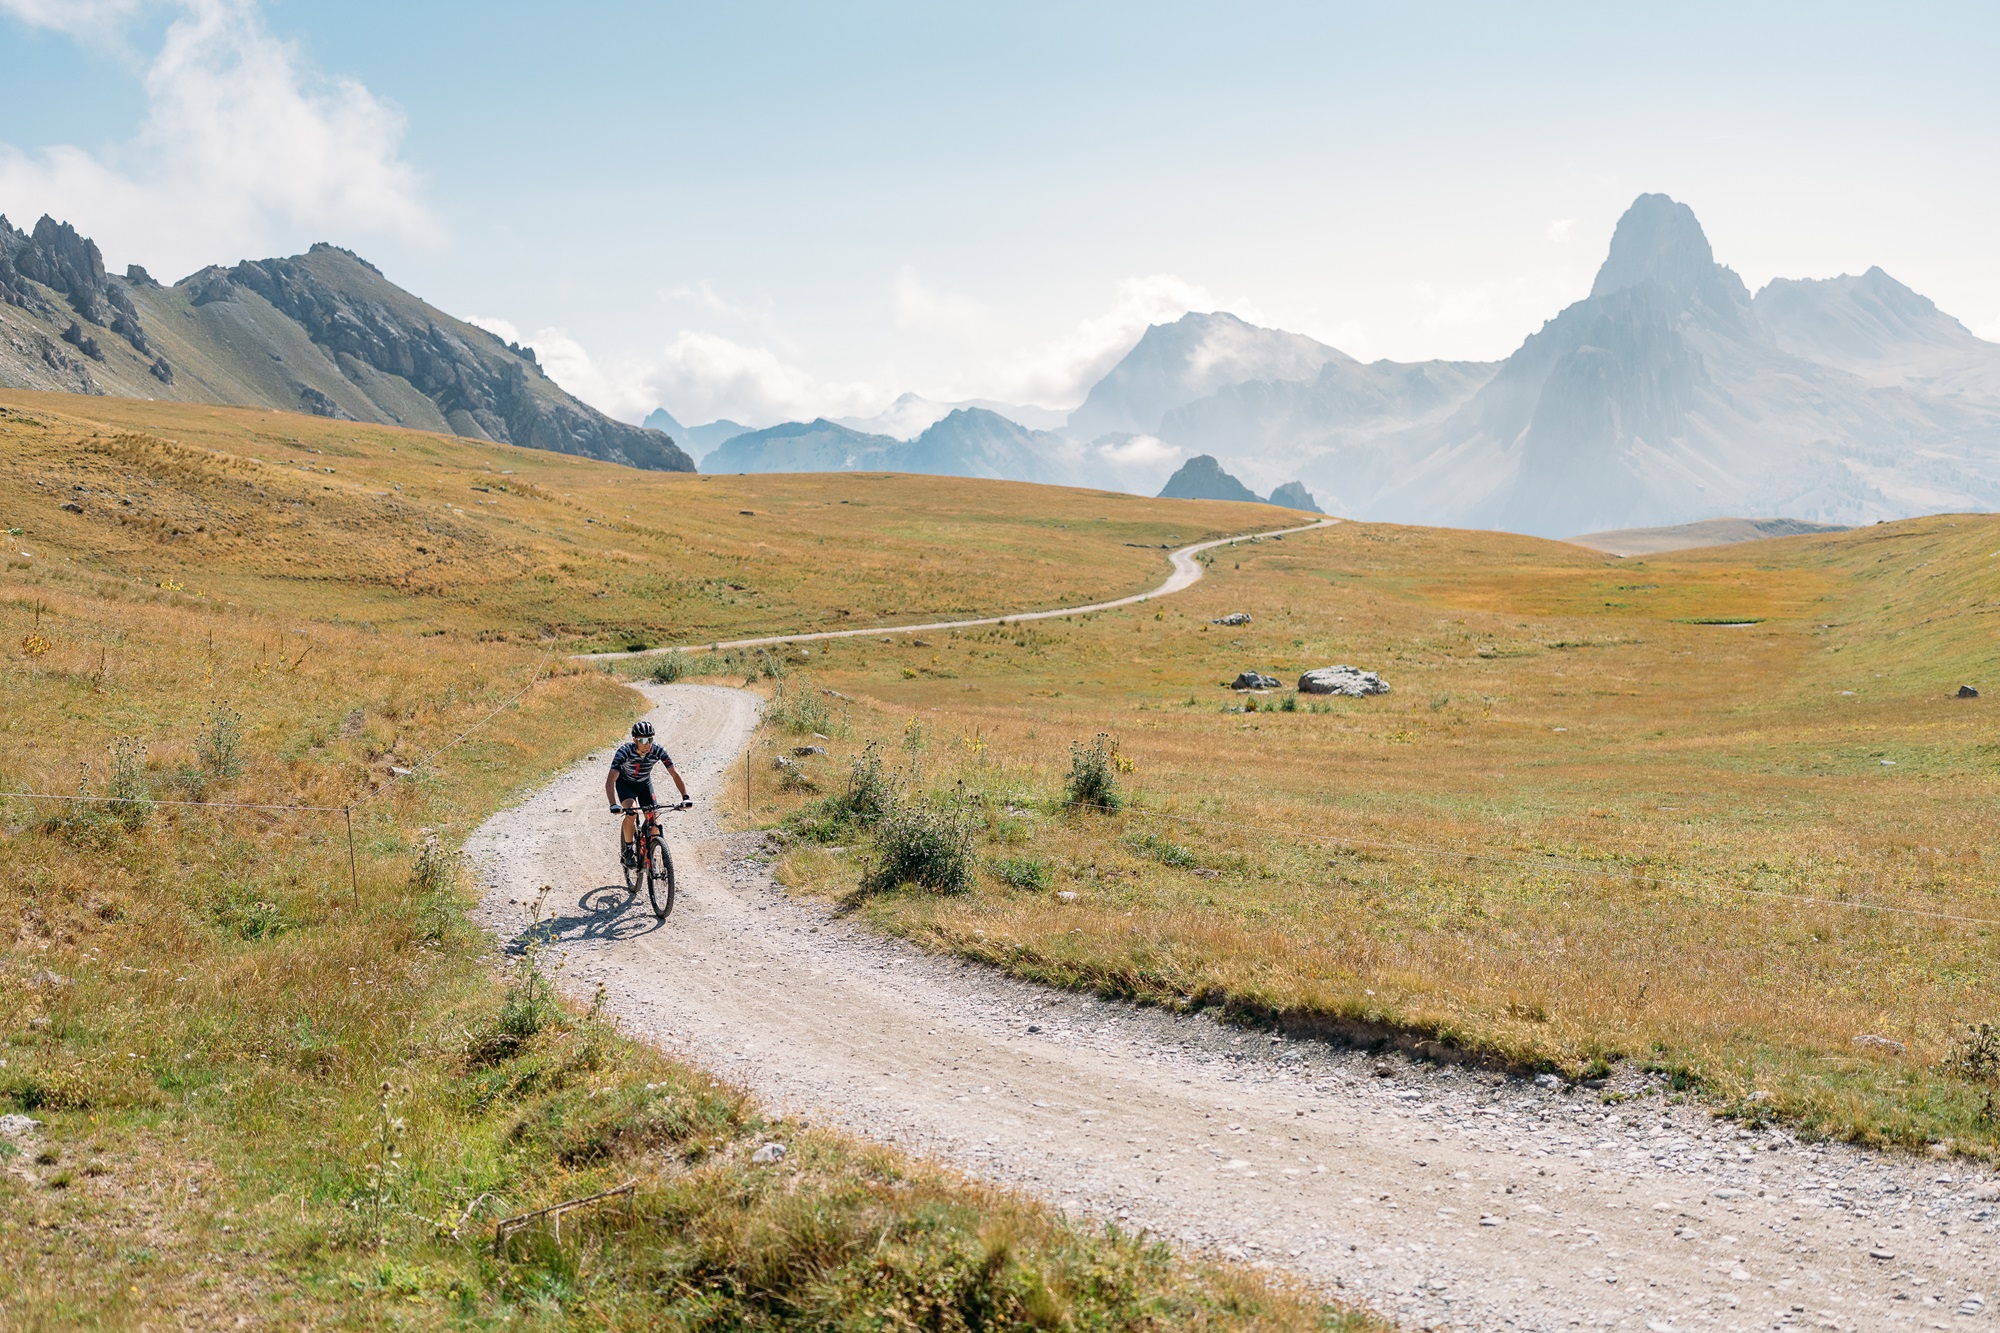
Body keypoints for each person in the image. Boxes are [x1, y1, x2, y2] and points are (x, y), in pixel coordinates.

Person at [605, 720, 690, 864]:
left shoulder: (658, 750)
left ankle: (652, 852)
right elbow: (611, 780)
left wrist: (685, 797)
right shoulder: (624, 752)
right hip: (626, 784)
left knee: (654, 820)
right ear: (635, 740)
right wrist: (613, 804)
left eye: (650, 739)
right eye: (643, 740)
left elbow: (674, 774)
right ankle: (629, 850)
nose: (647, 743)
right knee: (631, 813)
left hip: (644, 784)